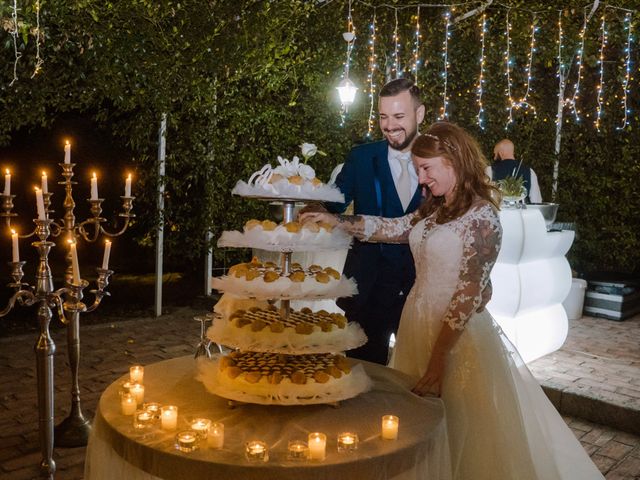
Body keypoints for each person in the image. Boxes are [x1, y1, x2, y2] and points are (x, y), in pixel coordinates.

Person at [301, 122, 603, 480]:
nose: (422, 179)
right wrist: (336, 220)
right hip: (417, 322)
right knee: (418, 426)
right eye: (417, 171)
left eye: (426, 169)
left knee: (457, 425)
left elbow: (468, 295)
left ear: (454, 159)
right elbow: (395, 228)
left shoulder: (484, 217)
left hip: (455, 340)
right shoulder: (434, 208)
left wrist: (438, 361)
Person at [321, 78, 426, 365]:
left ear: (420, 114)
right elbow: (330, 204)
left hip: (422, 289)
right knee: (363, 376)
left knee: (418, 374)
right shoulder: (361, 158)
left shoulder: (439, 158)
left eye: (399, 116)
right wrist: (301, 196)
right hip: (368, 288)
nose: (389, 125)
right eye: (383, 116)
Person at [487, 138, 542, 203]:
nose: (494, 157)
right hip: (522, 212)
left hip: (499, 212)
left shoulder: (489, 170)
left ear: (501, 153)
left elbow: (486, 199)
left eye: (495, 154)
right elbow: (536, 201)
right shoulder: (530, 171)